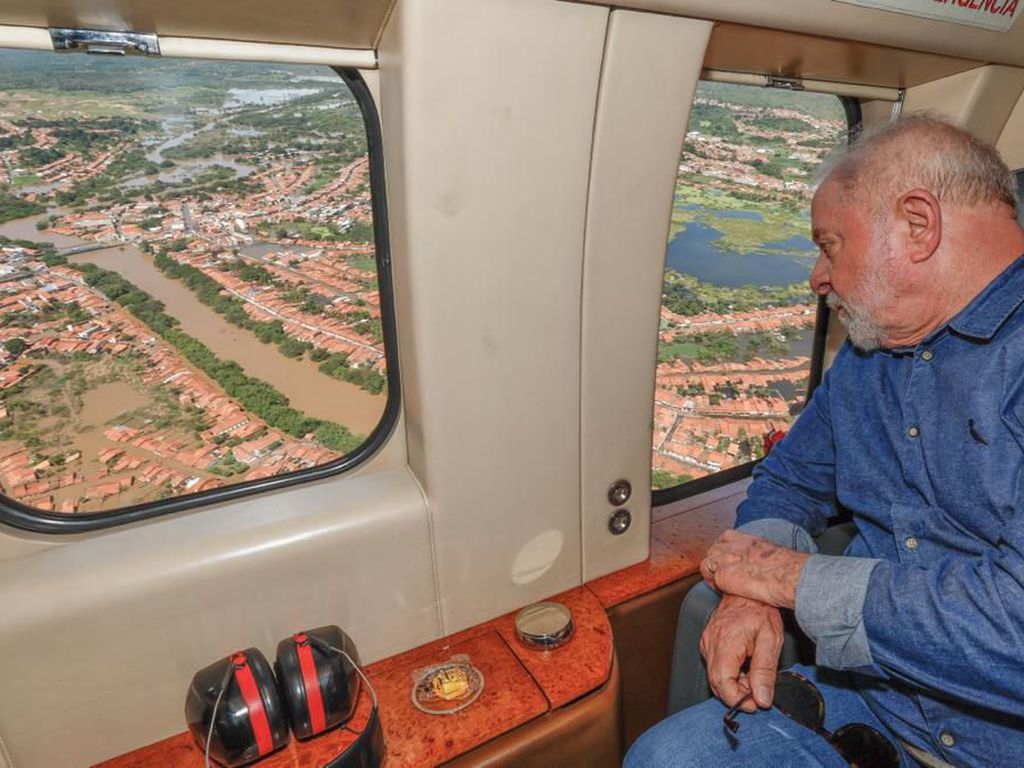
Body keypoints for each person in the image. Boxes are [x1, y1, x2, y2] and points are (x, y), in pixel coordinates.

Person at [626, 114, 1024, 767]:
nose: (817, 275)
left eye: (830, 244)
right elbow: (791, 479)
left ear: (917, 225)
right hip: (875, 699)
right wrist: (749, 587)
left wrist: (790, 579)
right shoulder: (873, 354)